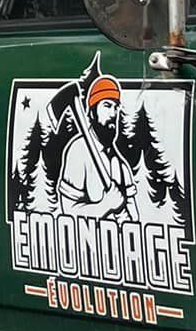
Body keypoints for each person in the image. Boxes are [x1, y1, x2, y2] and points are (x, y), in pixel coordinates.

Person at [57, 75, 138, 221]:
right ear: (93, 112)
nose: (113, 114)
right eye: (107, 105)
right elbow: (69, 213)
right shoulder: (78, 151)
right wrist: (105, 205)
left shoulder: (120, 165)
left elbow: (134, 216)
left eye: (116, 107)